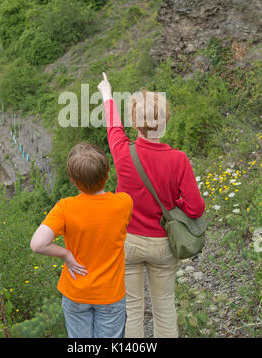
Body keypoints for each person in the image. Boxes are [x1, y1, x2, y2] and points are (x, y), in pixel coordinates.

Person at [98, 73, 205, 338]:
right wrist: (172, 204)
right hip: (161, 245)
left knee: (133, 309)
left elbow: (113, 127)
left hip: (129, 242)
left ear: (136, 123)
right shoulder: (178, 160)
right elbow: (195, 208)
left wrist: (107, 94)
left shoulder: (123, 151)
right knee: (164, 307)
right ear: (165, 121)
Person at [30, 142, 133, 338]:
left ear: (72, 180)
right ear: (107, 173)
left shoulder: (65, 208)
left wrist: (66, 254)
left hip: (76, 292)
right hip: (110, 293)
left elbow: (37, 244)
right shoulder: (124, 203)